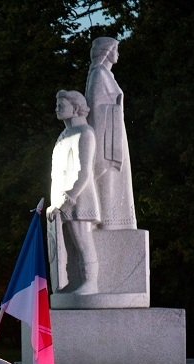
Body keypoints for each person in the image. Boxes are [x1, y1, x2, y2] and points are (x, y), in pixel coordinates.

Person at [48, 89, 101, 295]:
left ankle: (91, 282)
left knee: (82, 240)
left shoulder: (85, 133)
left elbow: (84, 171)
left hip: (80, 198)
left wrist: (69, 197)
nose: (57, 108)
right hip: (63, 199)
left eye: (62, 105)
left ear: (76, 108)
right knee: (69, 245)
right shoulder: (64, 135)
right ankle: (73, 281)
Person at [85, 36, 137, 230]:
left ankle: (117, 221)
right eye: (116, 49)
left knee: (117, 182)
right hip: (106, 137)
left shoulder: (106, 75)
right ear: (108, 51)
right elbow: (96, 108)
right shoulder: (98, 74)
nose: (118, 54)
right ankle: (108, 221)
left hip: (115, 134)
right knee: (108, 180)